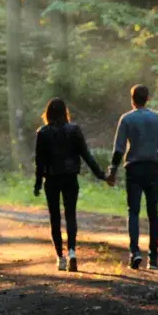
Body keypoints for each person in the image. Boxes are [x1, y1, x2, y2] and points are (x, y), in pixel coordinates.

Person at [33, 97, 106, 272]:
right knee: (70, 215)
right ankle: (72, 252)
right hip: (70, 177)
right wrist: (101, 175)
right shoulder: (74, 130)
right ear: (65, 112)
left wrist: (37, 184)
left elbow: (39, 162)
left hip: (51, 179)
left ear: (48, 113)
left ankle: (60, 258)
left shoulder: (42, 133)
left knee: (55, 218)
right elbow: (86, 155)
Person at [106, 84, 158, 270]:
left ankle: (135, 252)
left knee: (133, 211)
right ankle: (154, 259)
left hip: (134, 168)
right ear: (147, 98)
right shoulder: (157, 118)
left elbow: (119, 149)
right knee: (153, 213)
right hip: (152, 168)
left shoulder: (126, 119)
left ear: (132, 99)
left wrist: (113, 170)